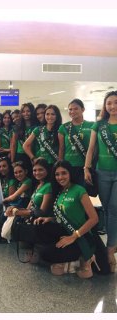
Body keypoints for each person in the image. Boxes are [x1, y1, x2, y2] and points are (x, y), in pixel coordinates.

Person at [35, 160, 99, 278]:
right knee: (40, 229)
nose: (60, 177)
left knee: (46, 255)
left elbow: (94, 219)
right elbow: (63, 215)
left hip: (82, 237)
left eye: (64, 173)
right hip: (65, 232)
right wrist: (50, 219)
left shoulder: (79, 190)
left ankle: (84, 258)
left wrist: (74, 236)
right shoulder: (60, 191)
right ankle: (71, 262)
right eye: (57, 174)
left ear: (70, 173)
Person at [85, 90, 117, 273]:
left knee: (113, 209)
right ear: (105, 106)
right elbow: (90, 149)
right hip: (102, 172)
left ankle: (110, 249)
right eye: (109, 103)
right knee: (106, 210)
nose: (112, 106)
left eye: (116, 103)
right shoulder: (99, 125)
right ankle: (111, 246)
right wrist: (86, 168)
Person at [5, 158, 53, 263]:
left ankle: (37, 248)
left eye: (40, 170)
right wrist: (15, 209)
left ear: (47, 170)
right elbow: (28, 207)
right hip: (31, 217)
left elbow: (42, 211)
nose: (37, 173)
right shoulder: (38, 186)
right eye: (35, 170)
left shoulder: (49, 186)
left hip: (42, 220)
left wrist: (19, 212)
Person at [58, 99, 94, 188]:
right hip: (68, 166)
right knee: (70, 192)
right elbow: (61, 148)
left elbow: (94, 147)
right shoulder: (64, 127)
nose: (72, 111)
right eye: (70, 109)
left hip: (85, 166)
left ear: (83, 109)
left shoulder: (92, 125)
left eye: (76, 109)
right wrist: (60, 165)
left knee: (83, 192)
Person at [10, 103, 37, 169]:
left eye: (28, 111)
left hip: (33, 154)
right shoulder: (17, 127)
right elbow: (13, 144)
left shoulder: (36, 126)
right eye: (23, 111)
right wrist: (12, 160)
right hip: (21, 155)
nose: (26, 113)